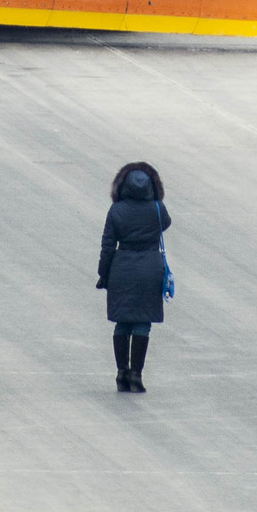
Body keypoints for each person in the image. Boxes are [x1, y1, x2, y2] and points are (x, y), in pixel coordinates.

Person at [98, 162, 170, 393]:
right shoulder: (157, 208)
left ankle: (121, 373)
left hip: (122, 267)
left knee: (122, 322)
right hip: (150, 266)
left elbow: (108, 245)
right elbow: (166, 223)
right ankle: (137, 375)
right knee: (142, 322)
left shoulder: (116, 210)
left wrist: (103, 273)